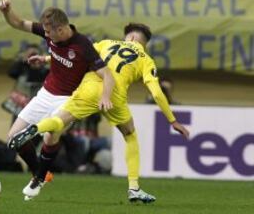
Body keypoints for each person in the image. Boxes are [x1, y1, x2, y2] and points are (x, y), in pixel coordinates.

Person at [10, 23, 190, 202]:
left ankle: (36, 128)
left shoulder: (106, 43)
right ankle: (134, 187)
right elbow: (157, 93)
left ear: (130, 37)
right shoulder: (146, 59)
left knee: (59, 120)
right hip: (115, 97)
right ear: (141, 42)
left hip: (90, 88)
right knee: (130, 136)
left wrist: (45, 58)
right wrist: (173, 121)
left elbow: (76, 56)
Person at [0, 0, 114, 180]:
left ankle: (39, 176)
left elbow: (107, 74)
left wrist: (105, 97)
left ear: (60, 29)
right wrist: (7, 11)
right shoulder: (49, 33)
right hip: (45, 95)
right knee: (13, 137)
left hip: (67, 101)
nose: (45, 35)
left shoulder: (83, 46)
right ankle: (40, 172)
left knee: (49, 137)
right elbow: (19, 23)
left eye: (48, 32)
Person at [3, 43, 49, 123]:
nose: (33, 57)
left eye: (35, 55)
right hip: (20, 107)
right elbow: (11, 73)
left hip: (38, 107)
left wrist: (40, 65)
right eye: (30, 55)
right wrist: (22, 60)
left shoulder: (45, 70)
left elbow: (40, 79)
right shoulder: (22, 67)